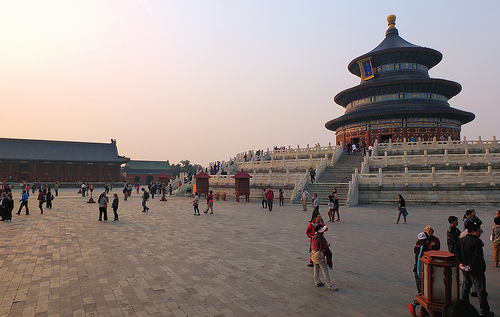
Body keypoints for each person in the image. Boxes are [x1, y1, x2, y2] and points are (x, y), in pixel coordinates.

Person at [455, 223, 494, 317]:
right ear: (473, 231)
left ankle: (464, 307)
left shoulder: (461, 240)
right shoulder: (476, 242)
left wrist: (460, 262)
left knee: (465, 288)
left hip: (464, 268)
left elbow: (456, 252)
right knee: (480, 290)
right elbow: (477, 257)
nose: (480, 232)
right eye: (479, 231)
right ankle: (484, 311)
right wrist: (471, 266)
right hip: (476, 270)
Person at [311, 215, 338, 291]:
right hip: (319, 255)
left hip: (314, 254)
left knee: (316, 268)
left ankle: (317, 281)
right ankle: (330, 284)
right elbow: (325, 248)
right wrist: (327, 245)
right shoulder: (321, 238)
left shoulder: (315, 236)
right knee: (325, 269)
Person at [408, 232, 430, 316]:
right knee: (423, 292)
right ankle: (413, 304)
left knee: (424, 292)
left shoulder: (418, 247)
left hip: (419, 271)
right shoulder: (423, 249)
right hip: (420, 272)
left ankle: (423, 310)